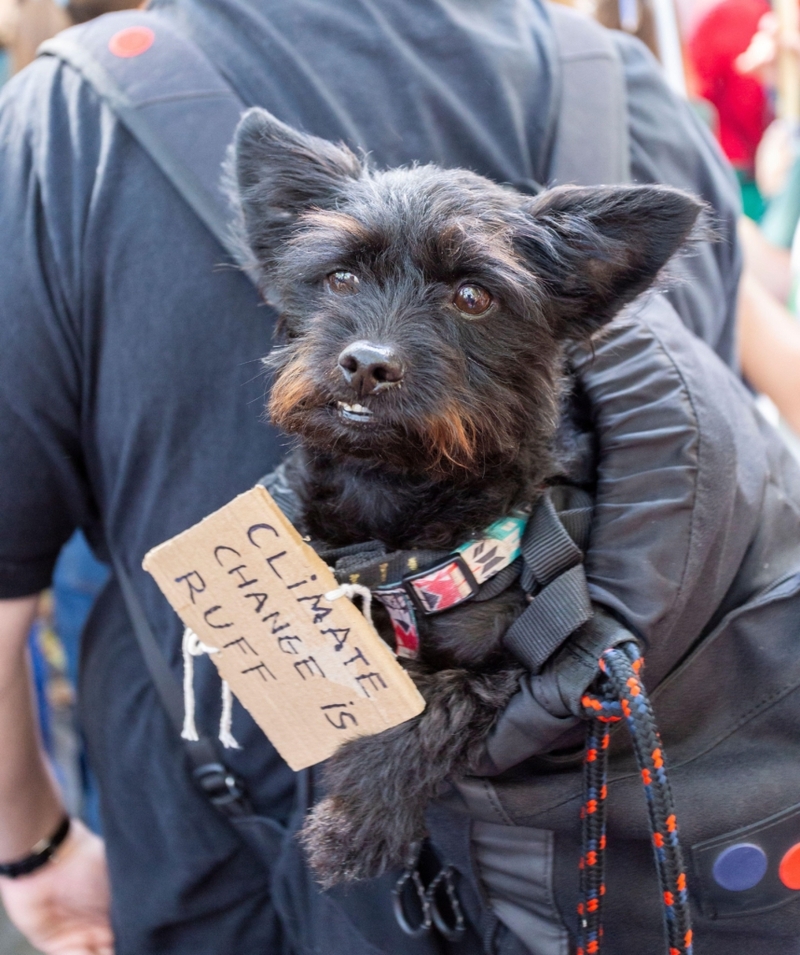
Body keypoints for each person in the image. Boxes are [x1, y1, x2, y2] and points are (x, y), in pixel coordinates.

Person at [0, 1, 744, 954]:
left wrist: (33, 846)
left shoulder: (74, 112)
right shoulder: (642, 96)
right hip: (574, 876)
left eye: (471, 295)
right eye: (344, 281)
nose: (372, 350)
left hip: (209, 858)